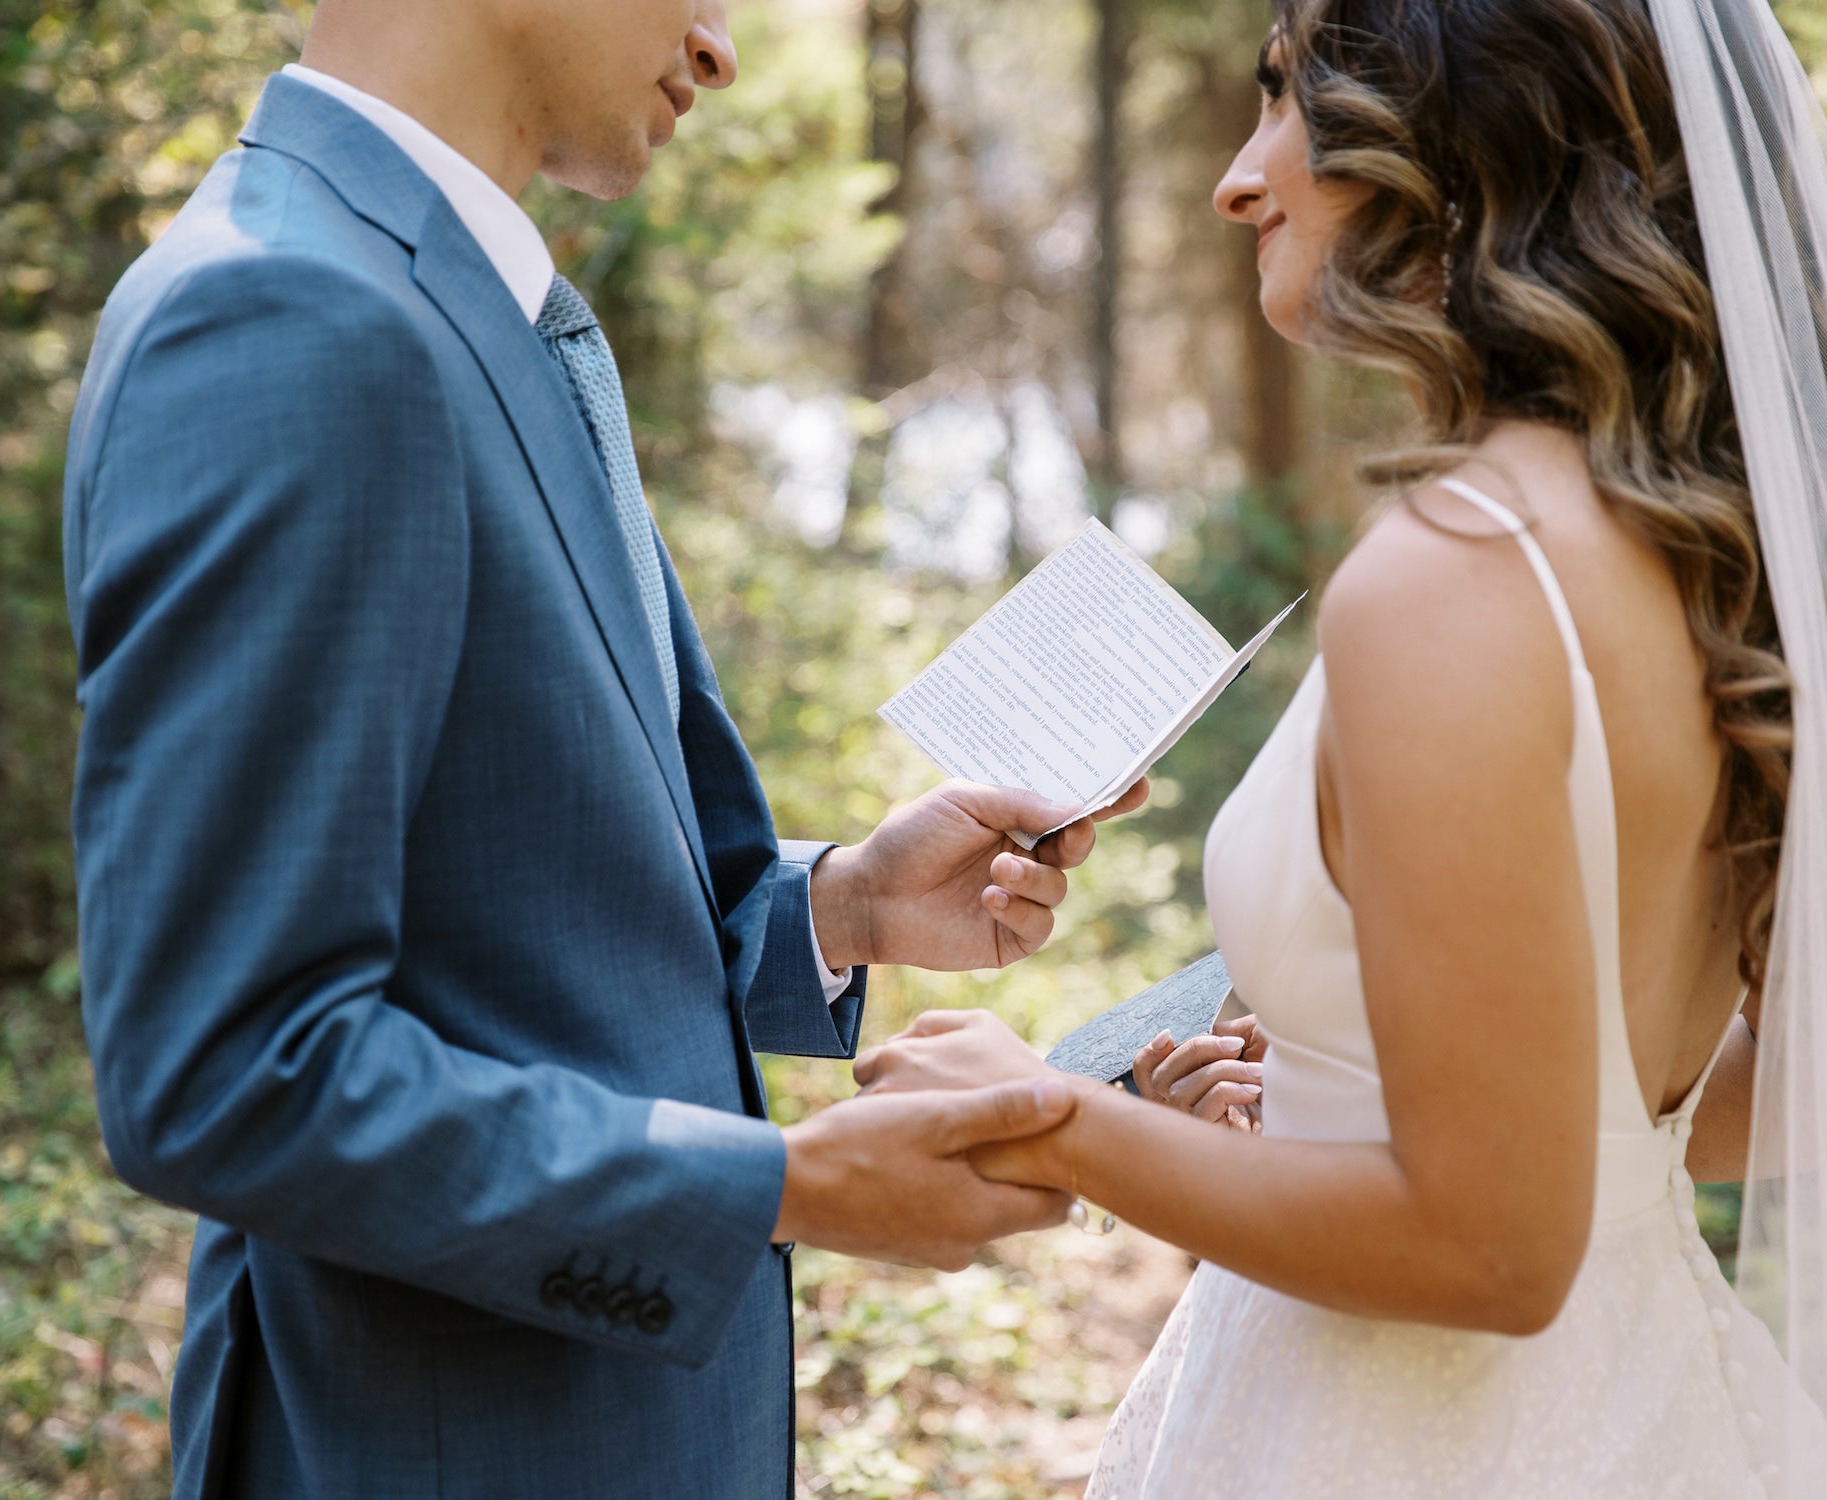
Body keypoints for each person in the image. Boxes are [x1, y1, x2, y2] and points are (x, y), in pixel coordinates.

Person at [856, 0, 1827, 1490]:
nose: (1242, 179)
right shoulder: (1695, 555)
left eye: (1290, 101)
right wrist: (1305, 1120)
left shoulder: (1453, 573)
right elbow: (1697, 1112)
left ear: (1456, 136)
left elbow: (1490, 1251)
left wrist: (1044, 1118)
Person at [61, 1, 1147, 1495]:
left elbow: (521, 918)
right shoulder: (288, 316)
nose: (720, 46)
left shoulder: (497, 318)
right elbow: (229, 1071)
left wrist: (840, 910)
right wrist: (780, 1187)